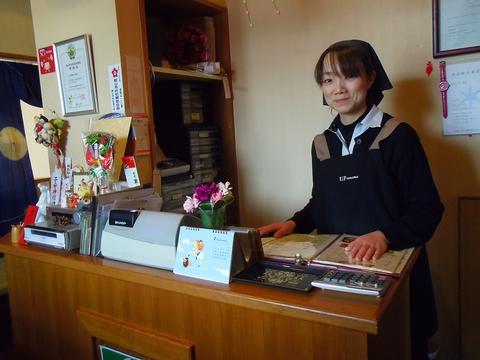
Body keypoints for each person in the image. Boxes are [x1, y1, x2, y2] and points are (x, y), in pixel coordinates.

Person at [259, 40, 444, 360]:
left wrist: (384, 236)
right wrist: (294, 222)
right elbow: (322, 202)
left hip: (393, 278)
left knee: (397, 346)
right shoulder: (321, 144)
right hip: (338, 272)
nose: (338, 88)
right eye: (329, 79)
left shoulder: (398, 136)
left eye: (349, 76)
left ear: (370, 78)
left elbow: (427, 208)